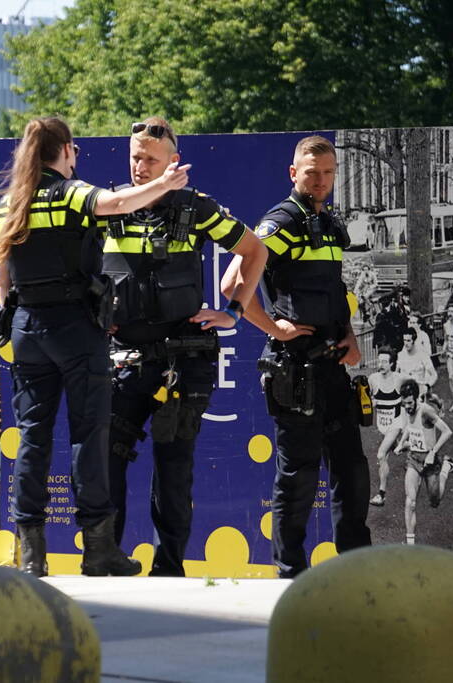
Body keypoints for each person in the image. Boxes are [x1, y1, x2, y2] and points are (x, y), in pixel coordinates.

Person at [0, 115, 190, 577]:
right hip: (76, 328)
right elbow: (117, 202)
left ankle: (32, 554)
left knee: (34, 439)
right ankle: (98, 549)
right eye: (74, 150)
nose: (76, 158)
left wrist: (14, 313)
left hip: (27, 328)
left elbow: (3, 278)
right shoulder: (71, 192)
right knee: (89, 436)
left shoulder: (11, 205)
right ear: (64, 150)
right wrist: (163, 183)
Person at [103, 117, 267, 576]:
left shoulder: (195, 208)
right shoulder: (108, 206)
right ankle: (107, 559)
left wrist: (232, 311)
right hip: (122, 363)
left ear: (173, 162)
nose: (140, 165)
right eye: (135, 156)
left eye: (151, 159)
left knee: (174, 465)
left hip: (182, 358)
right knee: (106, 460)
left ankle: (170, 566)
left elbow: (255, 251)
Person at [225, 134, 371, 577]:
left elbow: (331, 292)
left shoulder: (328, 223)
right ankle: (290, 574)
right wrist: (273, 327)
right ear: (294, 174)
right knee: (299, 477)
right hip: (297, 371)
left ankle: (357, 569)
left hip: (333, 368)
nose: (321, 180)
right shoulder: (283, 220)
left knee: (353, 472)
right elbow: (233, 284)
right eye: (312, 173)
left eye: (328, 173)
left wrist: (348, 334)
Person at [374, 380, 453, 544]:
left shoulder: (426, 411)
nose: (407, 407)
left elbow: (447, 432)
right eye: (404, 404)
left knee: (435, 501)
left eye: (410, 403)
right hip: (414, 459)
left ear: (417, 399)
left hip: (431, 461)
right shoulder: (405, 410)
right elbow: (408, 428)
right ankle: (410, 544)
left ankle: (445, 467)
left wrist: (433, 452)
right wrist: (402, 443)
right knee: (410, 501)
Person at [368, 349, 404, 507]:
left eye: (384, 362)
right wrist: (372, 402)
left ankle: (381, 495)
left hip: (397, 424)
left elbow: (418, 387)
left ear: (391, 364)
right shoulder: (372, 379)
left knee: (382, 455)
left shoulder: (399, 379)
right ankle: (442, 463)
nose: (380, 364)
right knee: (407, 450)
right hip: (382, 426)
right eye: (379, 361)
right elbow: (368, 399)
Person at [396, 327, 438, 397]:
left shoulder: (423, 355)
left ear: (414, 341)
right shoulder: (400, 355)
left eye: (408, 340)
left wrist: (427, 386)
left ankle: (437, 401)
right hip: (404, 391)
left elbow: (434, 375)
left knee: (429, 401)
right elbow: (396, 374)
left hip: (419, 390)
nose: (406, 343)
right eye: (404, 340)